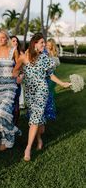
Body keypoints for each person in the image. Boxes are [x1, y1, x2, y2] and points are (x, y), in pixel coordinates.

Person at [13, 33, 70, 161]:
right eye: (42, 43)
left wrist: (62, 83)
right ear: (34, 44)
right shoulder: (24, 57)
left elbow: (50, 75)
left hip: (42, 91)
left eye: (44, 43)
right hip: (29, 92)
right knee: (37, 119)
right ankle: (39, 139)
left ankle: (28, 148)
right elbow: (15, 70)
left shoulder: (45, 58)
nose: (44, 45)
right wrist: (19, 76)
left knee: (34, 119)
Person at [0, 29, 21, 152]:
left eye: (4, 38)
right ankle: (3, 138)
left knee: (4, 111)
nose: (1, 40)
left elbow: (20, 66)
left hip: (10, 86)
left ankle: (9, 138)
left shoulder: (14, 51)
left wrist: (19, 75)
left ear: (7, 39)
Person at [45, 38, 60, 120]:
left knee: (50, 94)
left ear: (52, 45)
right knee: (46, 93)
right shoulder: (44, 53)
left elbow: (56, 65)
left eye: (49, 45)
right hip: (46, 76)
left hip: (52, 76)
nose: (47, 46)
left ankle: (50, 112)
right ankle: (47, 110)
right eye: (47, 44)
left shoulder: (54, 54)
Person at [11, 35, 25, 124]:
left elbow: (23, 67)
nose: (15, 43)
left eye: (16, 41)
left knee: (16, 102)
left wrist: (21, 77)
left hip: (16, 81)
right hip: (7, 81)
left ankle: (15, 123)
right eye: (13, 41)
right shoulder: (6, 53)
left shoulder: (20, 53)